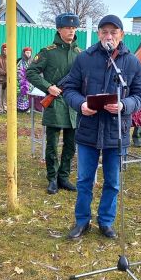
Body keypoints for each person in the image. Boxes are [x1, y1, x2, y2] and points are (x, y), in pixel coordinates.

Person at [62, 15, 141, 240]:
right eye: (104, 32)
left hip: (116, 130)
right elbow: (69, 88)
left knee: (113, 181)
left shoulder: (132, 62)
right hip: (88, 129)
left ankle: (106, 221)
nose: (108, 36)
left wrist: (123, 105)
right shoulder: (85, 59)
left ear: (121, 35)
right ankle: (82, 221)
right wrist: (80, 104)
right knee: (84, 180)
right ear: (99, 34)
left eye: (113, 32)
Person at [26, 13, 82, 194]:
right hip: (55, 102)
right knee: (51, 144)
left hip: (73, 105)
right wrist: (48, 87)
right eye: (67, 28)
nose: (71, 31)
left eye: (74, 28)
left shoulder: (80, 54)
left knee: (70, 144)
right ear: (59, 29)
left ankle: (63, 177)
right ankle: (52, 178)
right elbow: (31, 72)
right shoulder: (48, 52)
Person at [17, 47, 34, 112]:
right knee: (21, 94)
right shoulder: (20, 61)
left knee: (29, 94)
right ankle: (20, 108)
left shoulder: (33, 61)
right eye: (27, 52)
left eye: (29, 53)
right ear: (24, 53)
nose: (28, 54)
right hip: (22, 81)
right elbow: (18, 70)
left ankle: (28, 108)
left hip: (30, 81)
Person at [0, 44, 8, 114]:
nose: (6, 51)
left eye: (7, 49)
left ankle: (5, 108)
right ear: (2, 50)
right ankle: (0, 110)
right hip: (0, 80)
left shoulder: (11, 58)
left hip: (8, 80)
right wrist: (5, 73)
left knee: (6, 95)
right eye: (5, 49)